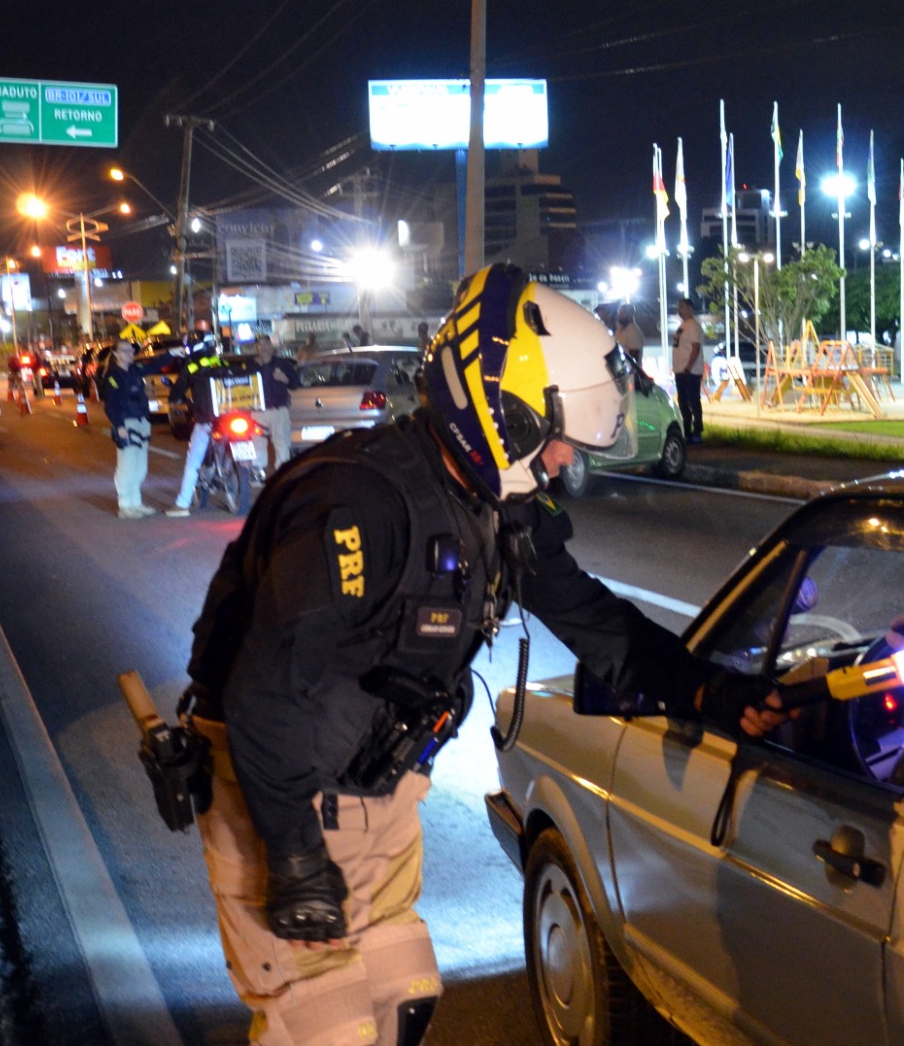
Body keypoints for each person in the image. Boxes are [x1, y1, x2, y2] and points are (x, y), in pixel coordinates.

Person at [172, 264, 786, 1046]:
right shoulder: (359, 506)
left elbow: (594, 620)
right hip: (278, 785)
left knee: (400, 997)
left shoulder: (495, 507)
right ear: (505, 413)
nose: (562, 459)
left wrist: (708, 690)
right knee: (323, 1024)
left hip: (376, 779)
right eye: (557, 438)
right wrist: (292, 855)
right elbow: (266, 695)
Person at [100, 338, 170, 518]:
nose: (130, 353)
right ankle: (125, 506)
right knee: (127, 465)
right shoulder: (113, 376)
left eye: (131, 350)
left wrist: (172, 354)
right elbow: (111, 404)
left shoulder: (134, 370)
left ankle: (136, 503)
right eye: (125, 350)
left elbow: (153, 365)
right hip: (127, 423)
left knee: (140, 467)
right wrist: (119, 426)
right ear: (116, 354)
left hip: (141, 421)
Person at [166, 332, 231, 516]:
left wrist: (174, 396)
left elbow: (178, 390)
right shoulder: (221, 363)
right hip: (229, 416)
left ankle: (182, 503)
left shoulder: (193, 365)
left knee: (193, 461)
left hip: (207, 419)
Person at [251, 336, 300, 473]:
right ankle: (258, 475)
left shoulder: (282, 364)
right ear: (256, 348)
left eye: (266, 344)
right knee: (257, 444)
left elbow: (295, 384)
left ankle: (283, 475)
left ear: (271, 346)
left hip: (278, 411)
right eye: (260, 345)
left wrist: (284, 379)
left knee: (282, 443)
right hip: (258, 413)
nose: (264, 348)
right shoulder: (252, 365)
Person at [671, 297, 705, 443]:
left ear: (690, 308)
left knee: (693, 401)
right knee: (683, 402)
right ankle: (687, 430)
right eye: (678, 307)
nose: (679, 310)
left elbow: (696, 348)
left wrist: (688, 367)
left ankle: (697, 431)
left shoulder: (693, 326)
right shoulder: (683, 326)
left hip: (690, 372)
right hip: (680, 371)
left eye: (682, 307)